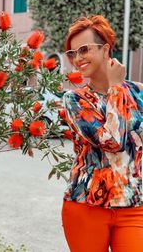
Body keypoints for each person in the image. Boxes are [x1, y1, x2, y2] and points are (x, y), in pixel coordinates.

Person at [62, 15, 143, 252]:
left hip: (134, 207)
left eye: (84, 49)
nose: (78, 58)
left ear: (105, 49)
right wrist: (116, 88)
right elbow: (112, 142)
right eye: (72, 53)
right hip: (86, 207)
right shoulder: (74, 99)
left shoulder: (138, 92)